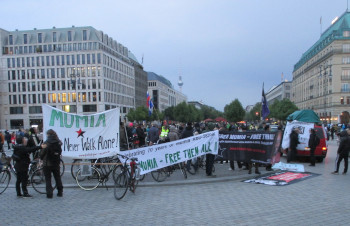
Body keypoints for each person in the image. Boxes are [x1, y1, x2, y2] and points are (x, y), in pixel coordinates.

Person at [40, 129, 63, 198]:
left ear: (48, 135)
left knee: (48, 179)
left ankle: (49, 194)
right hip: (56, 163)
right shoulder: (58, 142)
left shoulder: (46, 143)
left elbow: (42, 154)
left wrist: (41, 157)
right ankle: (60, 192)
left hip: (47, 163)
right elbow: (60, 152)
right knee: (57, 177)